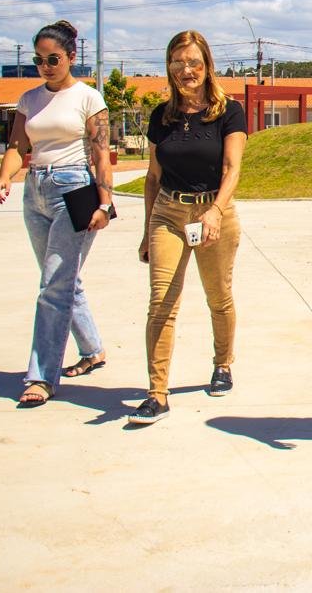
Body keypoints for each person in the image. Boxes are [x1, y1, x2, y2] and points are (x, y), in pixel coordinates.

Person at [0, 20, 113, 406]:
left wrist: (105, 203)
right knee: (62, 280)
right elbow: (17, 145)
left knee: (53, 286)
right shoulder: (29, 99)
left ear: (72, 57)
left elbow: (100, 154)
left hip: (74, 191)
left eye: (53, 58)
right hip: (36, 191)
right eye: (39, 59)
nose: (46, 65)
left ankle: (41, 377)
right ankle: (93, 349)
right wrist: (3, 176)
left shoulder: (89, 98)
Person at [128, 31, 247, 425]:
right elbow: (151, 178)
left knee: (219, 296)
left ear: (207, 64)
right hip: (168, 213)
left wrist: (215, 210)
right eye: (178, 63)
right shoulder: (161, 117)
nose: (186, 70)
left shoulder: (228, 111)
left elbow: (232, 168)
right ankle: (156, 393)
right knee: (161, 300)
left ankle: (223, 363)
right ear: (169, 67)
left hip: (215, 213)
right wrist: (147, 230)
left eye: (193, 62)